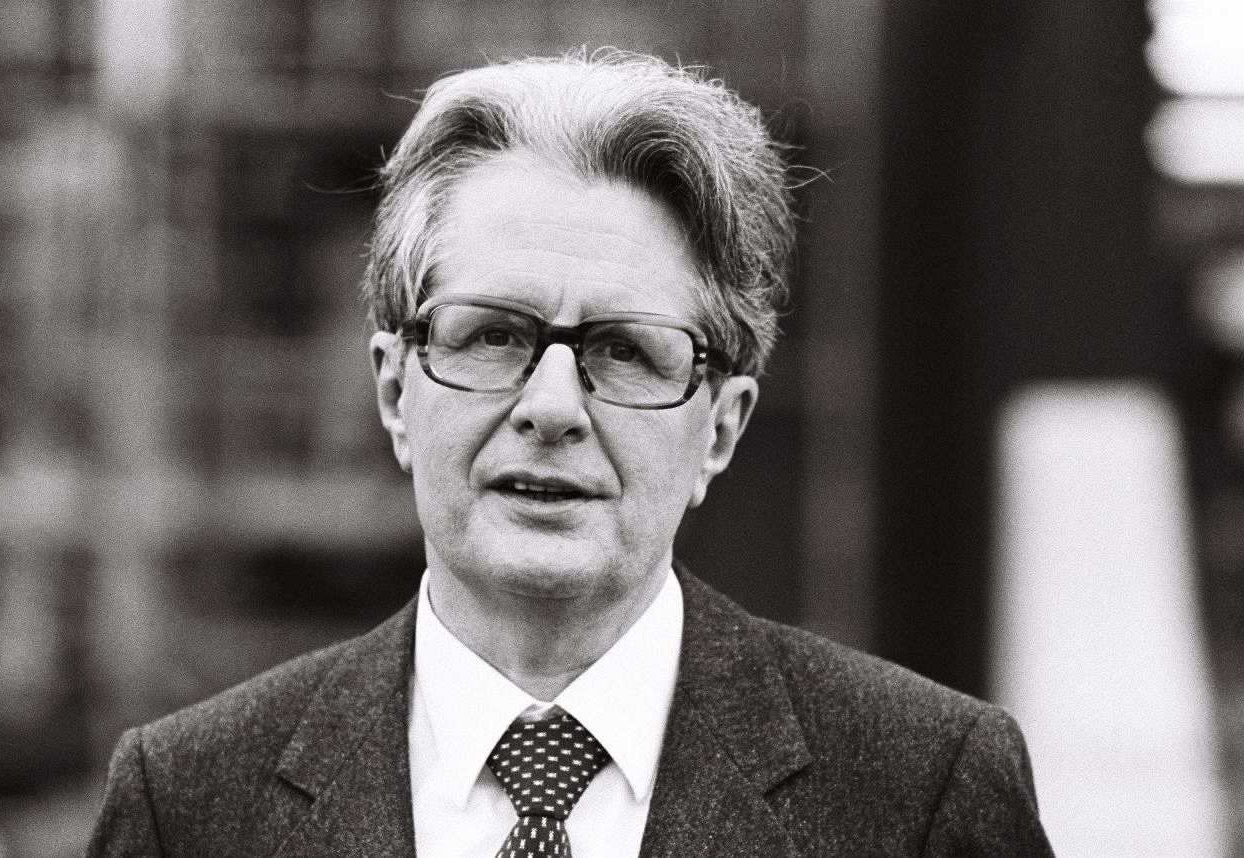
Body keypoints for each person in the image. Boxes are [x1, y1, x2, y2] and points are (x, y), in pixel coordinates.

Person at [86, 51, 1053, 857]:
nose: (551, 408)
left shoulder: (922, 794)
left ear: (720, 427)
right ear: (394, 390)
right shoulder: (188, 804)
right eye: (493, 335)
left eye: (625, 351)